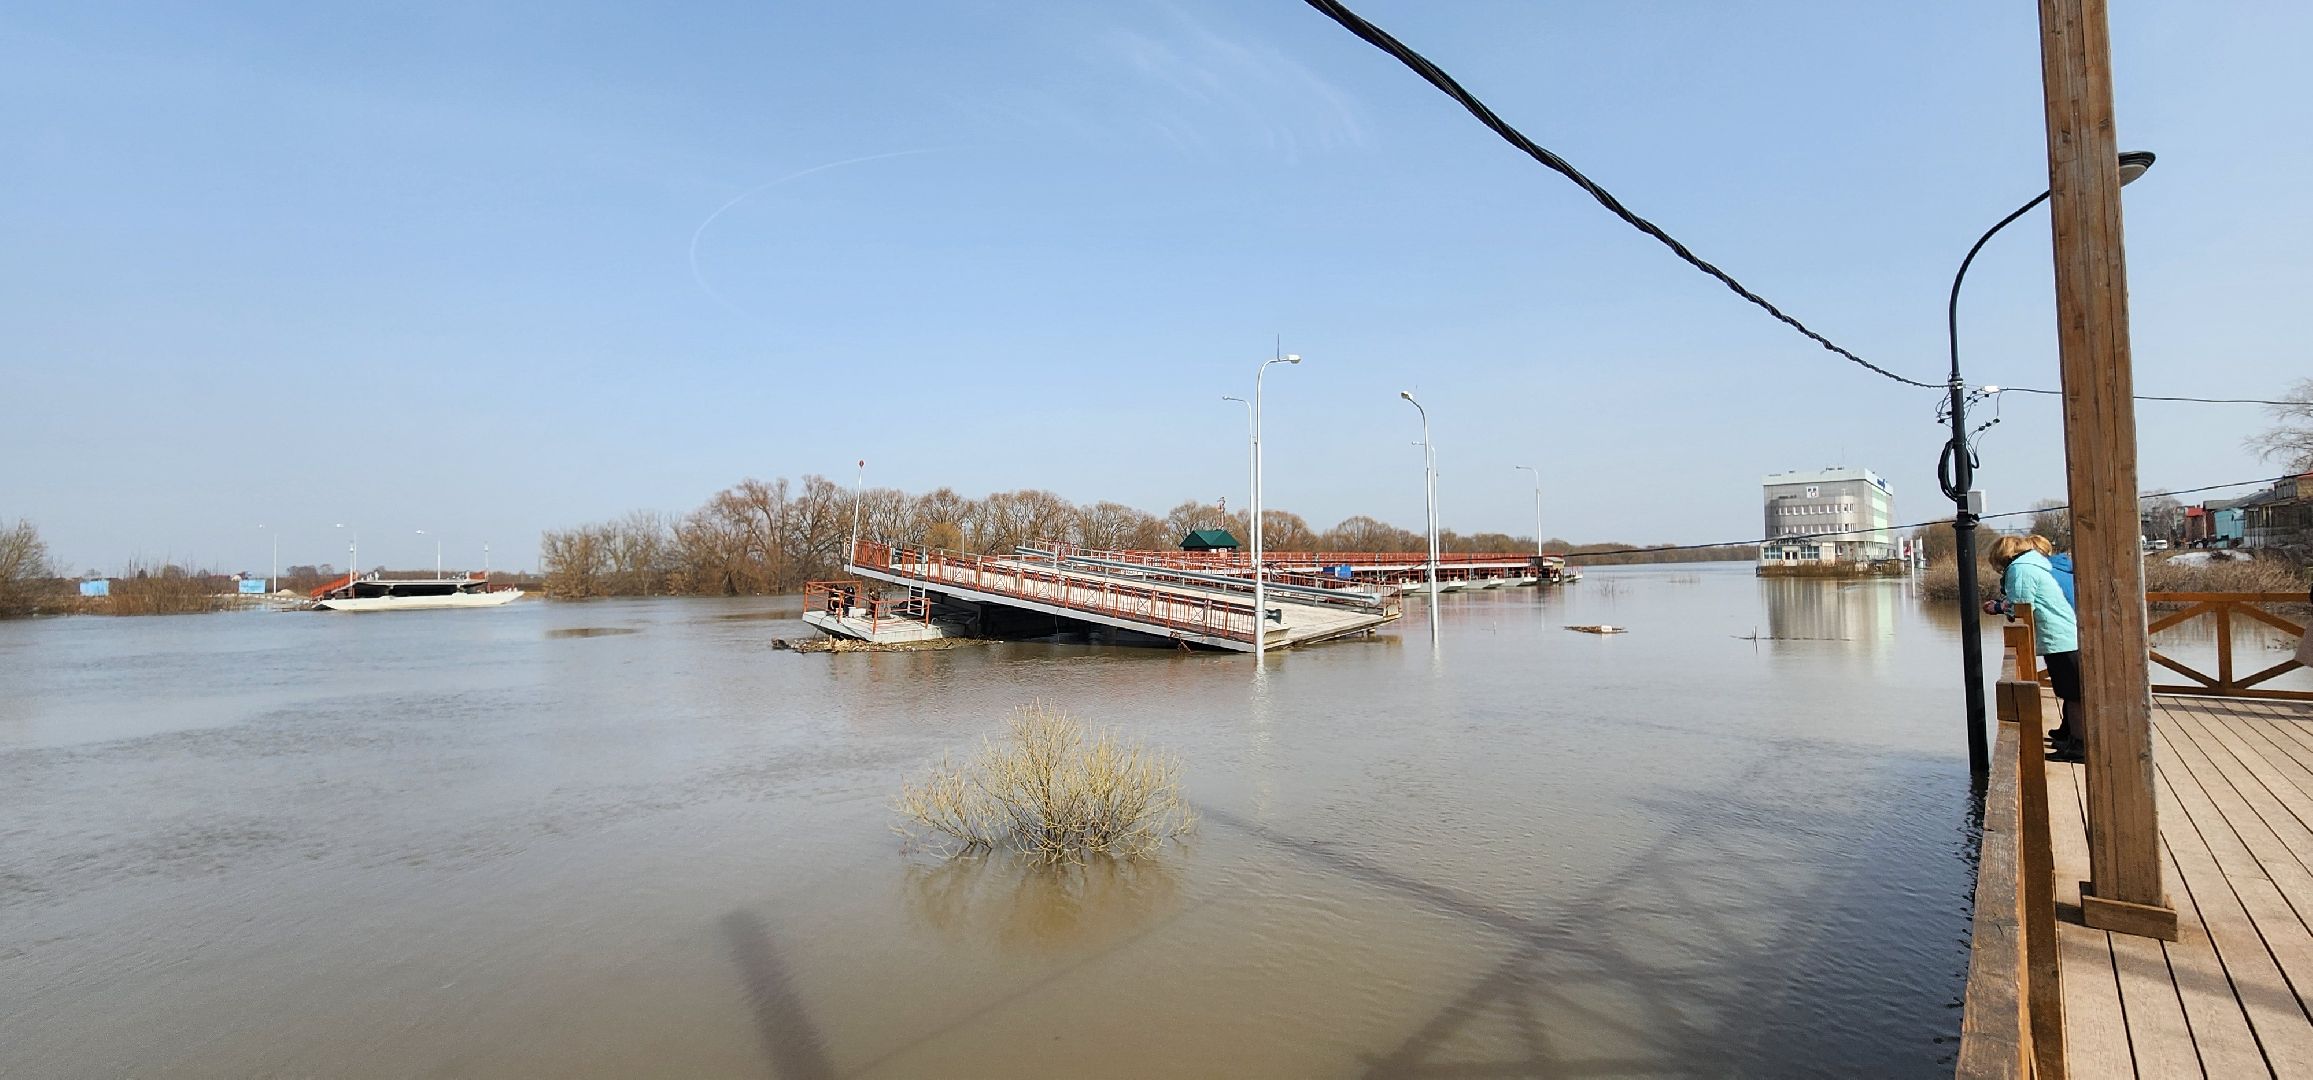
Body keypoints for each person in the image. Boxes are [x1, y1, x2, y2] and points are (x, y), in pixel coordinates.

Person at [1985, 534, 2085, 762]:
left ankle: (2079, 748)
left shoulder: (2020, 570)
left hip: (2060, 639)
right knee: (2071, 691)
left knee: (2072, 693)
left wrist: (1999, 608)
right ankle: (2073, 740)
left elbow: (2020, 605)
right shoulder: (2034, 564)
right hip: (2066, 636)